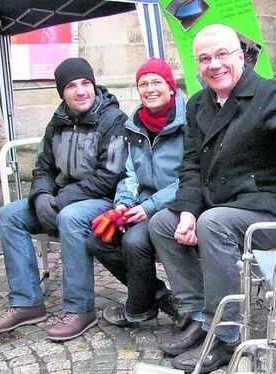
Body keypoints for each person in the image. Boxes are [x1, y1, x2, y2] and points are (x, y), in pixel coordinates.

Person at [149, 24, 276, 372]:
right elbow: (192, 165)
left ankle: (228, 336)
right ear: (197, 67)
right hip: (225, 205)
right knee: (163, 223)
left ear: (240, 57)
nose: (215, 65)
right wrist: (186, 212)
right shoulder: (198, 105)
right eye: (205, 58)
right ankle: (199, 315)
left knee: (214, 223)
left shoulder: (268, 93)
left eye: (222, 54)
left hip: (272, 210)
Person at [0, 57, 128, 341]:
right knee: (8, 216)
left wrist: (60, 200)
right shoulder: (58, 119)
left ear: (94, 86)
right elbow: (43, 168)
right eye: (72, 86)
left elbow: (109, 176)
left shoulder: (113, 120)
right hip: (60, 197)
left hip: (102, 199)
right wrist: (40, 196)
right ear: (62, 92)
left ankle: (80, 309)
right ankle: (27, 302)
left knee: (70, 217)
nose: (81, 91)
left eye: (86, 83)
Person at [85, 58, 185, 327]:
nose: (150, 89)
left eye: (157, 82)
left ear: (170, 87)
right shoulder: (135, 124)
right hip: (141, 204)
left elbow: (189, 178)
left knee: (134, 241)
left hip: (176, 204)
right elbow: (130, 174)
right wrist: (122, 204)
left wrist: (150, 207)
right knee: (98, 240)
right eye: (143, 83)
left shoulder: (187, 122)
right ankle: (159, 296)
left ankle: (138, 309)